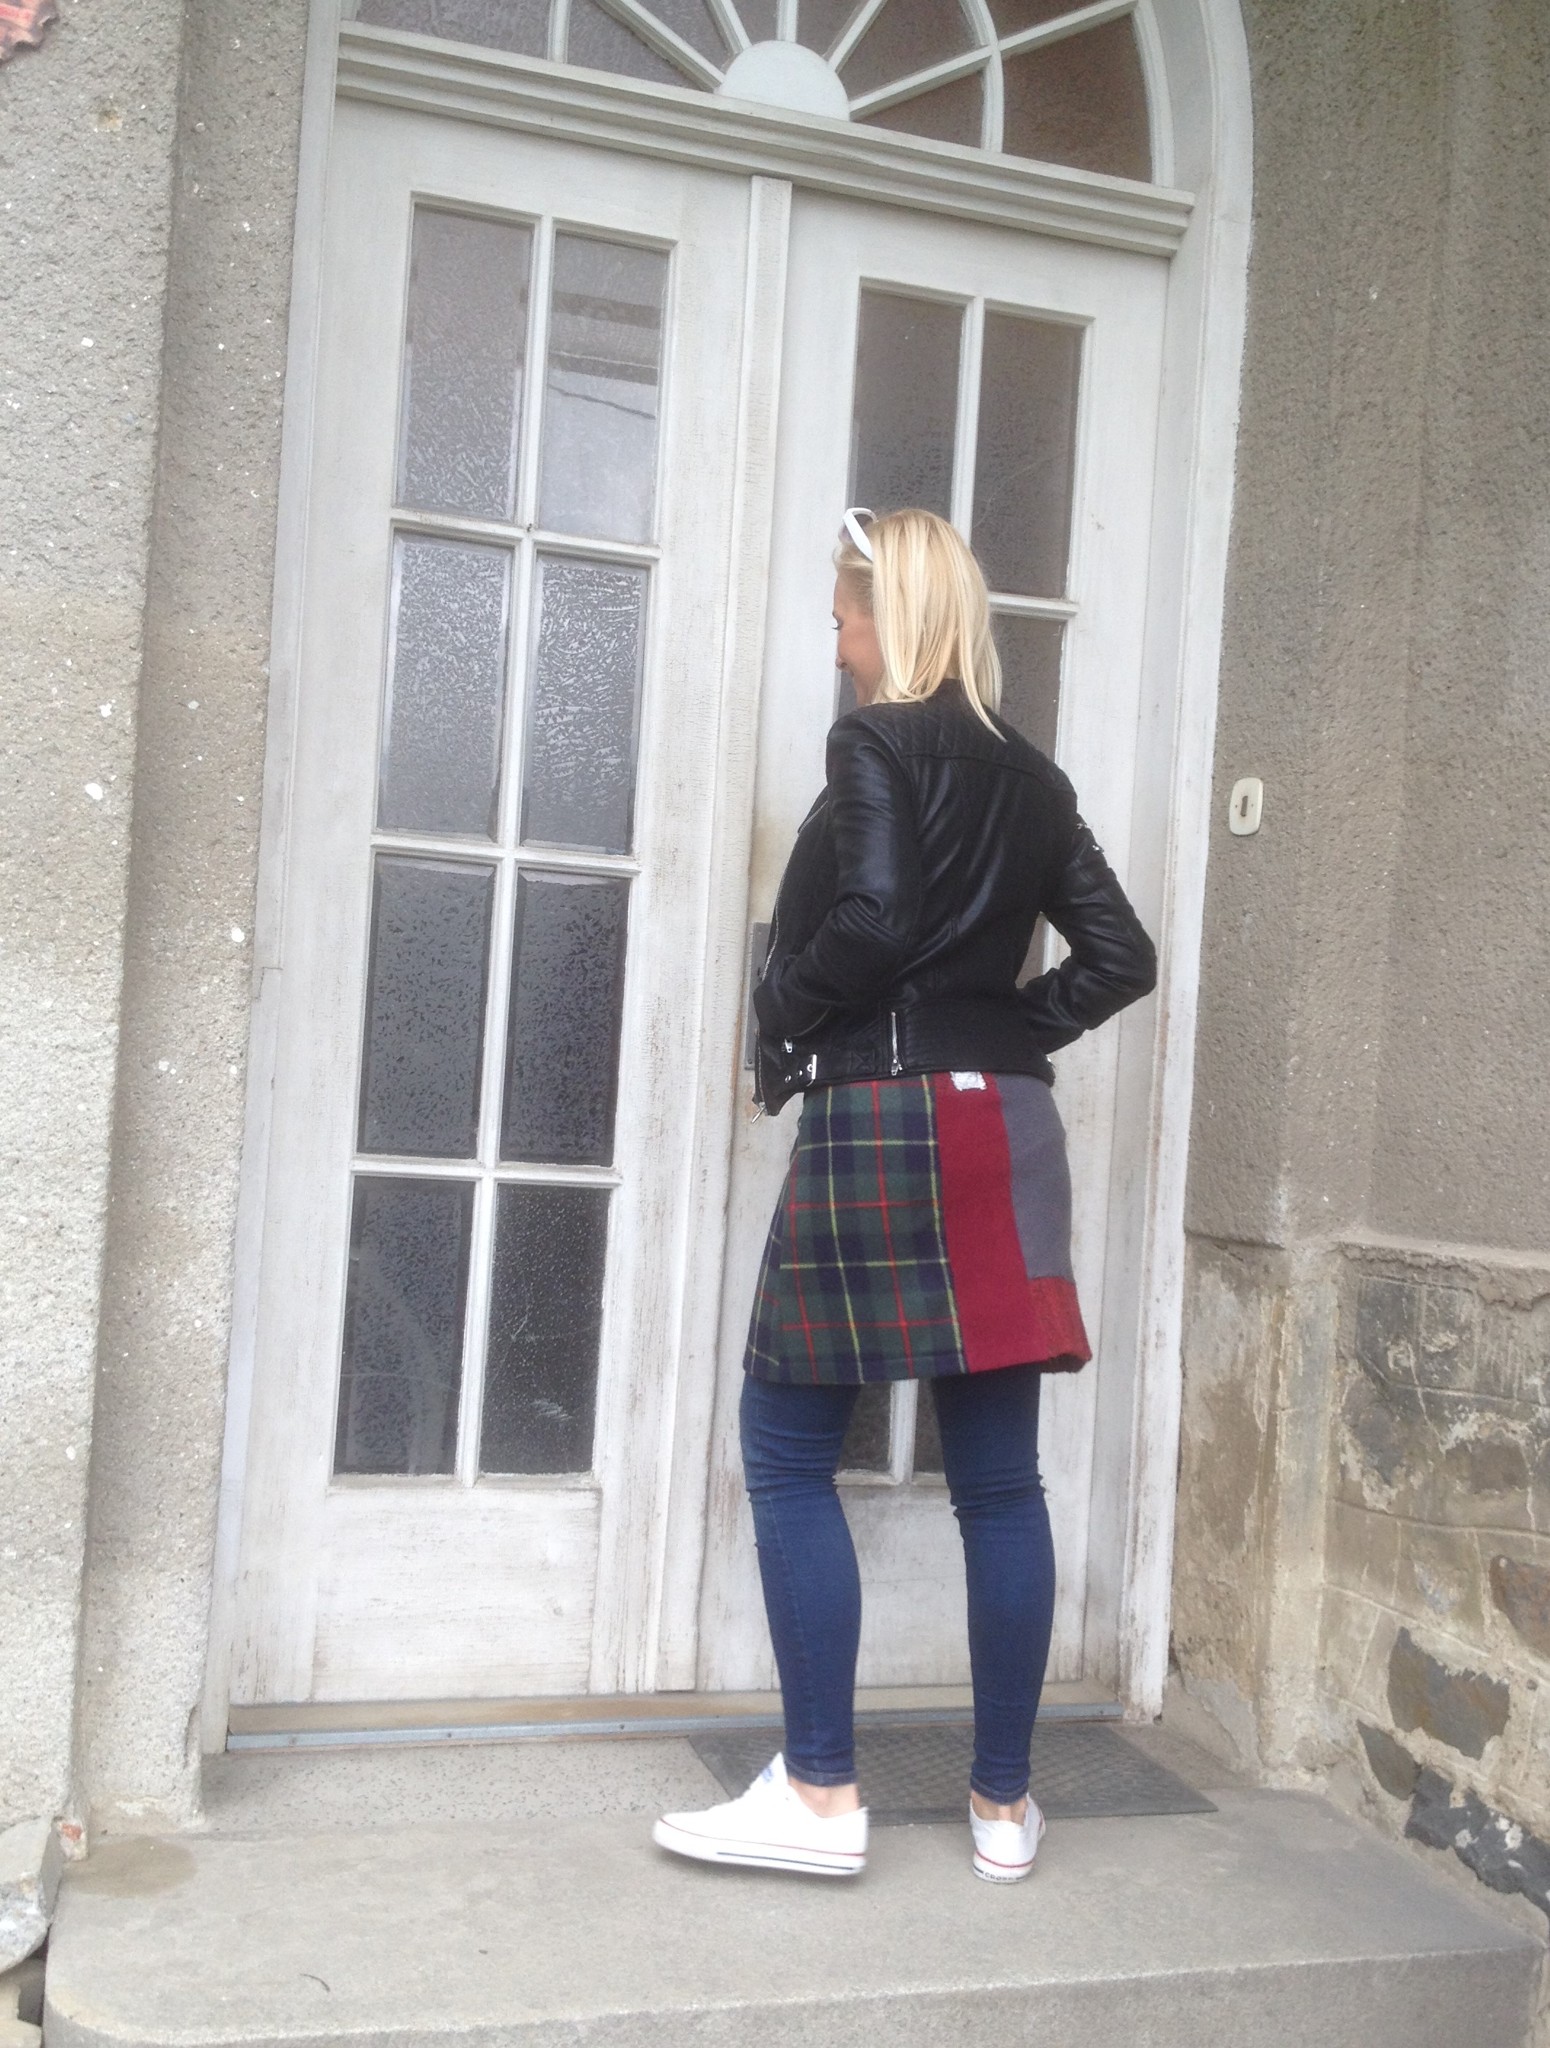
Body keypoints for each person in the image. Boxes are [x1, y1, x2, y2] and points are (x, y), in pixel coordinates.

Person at [653, 507, 1156, 1883]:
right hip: (1006, 1130)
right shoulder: (1034, 777)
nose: (836, 646)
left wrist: (784, 1016)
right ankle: (1001, 1809)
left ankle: (820, 1796)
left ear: (891, 616)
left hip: (882, 1117)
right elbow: (1120, 957)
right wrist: (1001, 1032)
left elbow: (873, 919)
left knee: (783, 1448)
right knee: (997, 1479)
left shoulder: (874, 741)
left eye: (842, 620)